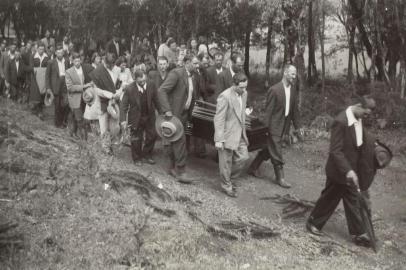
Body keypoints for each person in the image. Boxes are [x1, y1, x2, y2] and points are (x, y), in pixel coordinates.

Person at [306, 96, 380, 247]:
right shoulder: (341, 121)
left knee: (353, 200)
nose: (366, 117)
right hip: (339, 170)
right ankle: (313, 223)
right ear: (358, 106)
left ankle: (358, 233)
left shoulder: (358, 117)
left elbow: (358, 140)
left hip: (353, 169)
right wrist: (348, 170)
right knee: (330, 198)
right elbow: (335, 151)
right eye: (365, 114)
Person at [247, 65, 302, 188]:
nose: (294, 77)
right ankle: (280, 178)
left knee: (268, 148)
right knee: (276, 150)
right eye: (292, 74)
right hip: (273, 126)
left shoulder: (293, 89)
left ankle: (253, 167)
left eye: (295, 74)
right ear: (285, 73)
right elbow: (268, 112)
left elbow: (294, 110)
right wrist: (265, 129)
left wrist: (298, 127)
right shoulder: (274, 90)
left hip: (284, 126)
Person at [158, 55, 198, 184]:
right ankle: (181, 172)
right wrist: (167, 110)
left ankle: (171, 167)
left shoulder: (193, 76)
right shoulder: (176, 74)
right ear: (187, 62)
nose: (198, 66)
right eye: (195, 63)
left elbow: (191, 94)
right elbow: (161, 91)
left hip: (185, 114)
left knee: (174, 141)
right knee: (180, 142)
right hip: (174, 115)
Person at [214, 73, 249, 197]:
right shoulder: (225, 96)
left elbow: (242, 113)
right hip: (226, 134)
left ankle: (231, 179)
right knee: (225, 162)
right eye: (242, 87)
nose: (244, 90)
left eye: (246, 87)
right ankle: (226, 186)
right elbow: (219, 119)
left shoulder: (244, 94)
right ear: (234, 85)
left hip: (239, 133)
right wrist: (219, 139)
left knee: (244, 157)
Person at [120, 70, 159, 165]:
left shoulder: (151, 84)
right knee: (136, 138)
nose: (143, 83)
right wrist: (123, 120)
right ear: (135, 79)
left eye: (144, 80)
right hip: (136, 117)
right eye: (140, 81)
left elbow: (156, 100)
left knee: (152, 135)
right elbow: (123, 105)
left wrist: (163, 112)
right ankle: (137, 158)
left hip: (149, 115)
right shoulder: (129, 89)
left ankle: (146, 154)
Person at [89, 52, 120, 154]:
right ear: (105, 62)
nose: (109, 67)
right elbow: (96, 90)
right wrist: (109, 94)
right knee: (103, 126)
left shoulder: (117, 70)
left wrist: (118, 93)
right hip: (102, 101)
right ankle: (106, 148)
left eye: (112, 65)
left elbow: (120, 85)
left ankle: (110, 142)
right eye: (108, 65)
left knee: (115, 127)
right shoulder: (98, 71)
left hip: (114, 102)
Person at [65, 52, 93, 139]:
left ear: (81, 61)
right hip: (74, 97)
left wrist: (89, 84)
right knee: (79, 118)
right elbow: (70, 87)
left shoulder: (83, 69)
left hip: (84, 97)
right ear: (72, 61)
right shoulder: (69, 72)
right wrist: (83, 86)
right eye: (75, 61)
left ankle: (72, 131)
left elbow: (86, 80)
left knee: (80, 116)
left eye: (78, 61)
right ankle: (83, 138)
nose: (77, 63)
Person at [45, 44, 71, 128]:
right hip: (55, 85)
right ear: (55, 53)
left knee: (65, 104)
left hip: (64, 85)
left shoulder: (66, 61)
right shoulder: (51, 62)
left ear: (63, 53)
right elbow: (47, 76)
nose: (60, 54)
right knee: (57, 106)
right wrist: (48, 88)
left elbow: (69, 73)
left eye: (61, 52)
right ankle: (57, 123)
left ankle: (64, 121)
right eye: (58, 53)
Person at [29, 42, 49, 119]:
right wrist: (34, 72)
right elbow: (31, 67)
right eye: (40, 49)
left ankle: (40, 109)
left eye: (43, 49)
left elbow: (48, 67)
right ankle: (37, 109)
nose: (41, 51)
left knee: (43, 92)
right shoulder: (33, 56)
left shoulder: (47, 56)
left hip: (44, 76)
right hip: (36, 76)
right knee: (36, 92)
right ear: (37, 49)